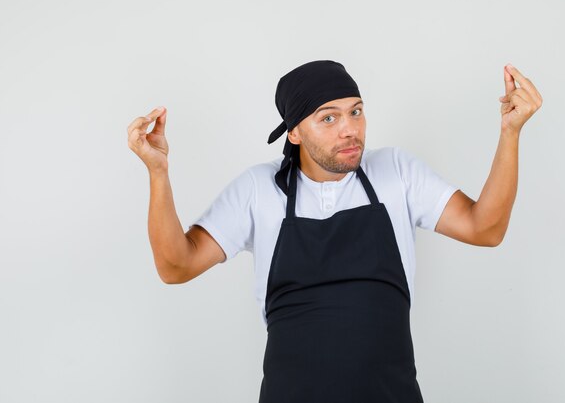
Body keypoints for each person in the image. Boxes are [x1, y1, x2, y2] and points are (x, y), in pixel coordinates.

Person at [126, 60, 542, 403]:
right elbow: (175, 267)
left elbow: (485, 228)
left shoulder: (395, 171)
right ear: (294, 132)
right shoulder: (258, 189)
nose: (350, 129)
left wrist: (510, 132)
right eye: (329, 118)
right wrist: (158, 171)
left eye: (355, 112)